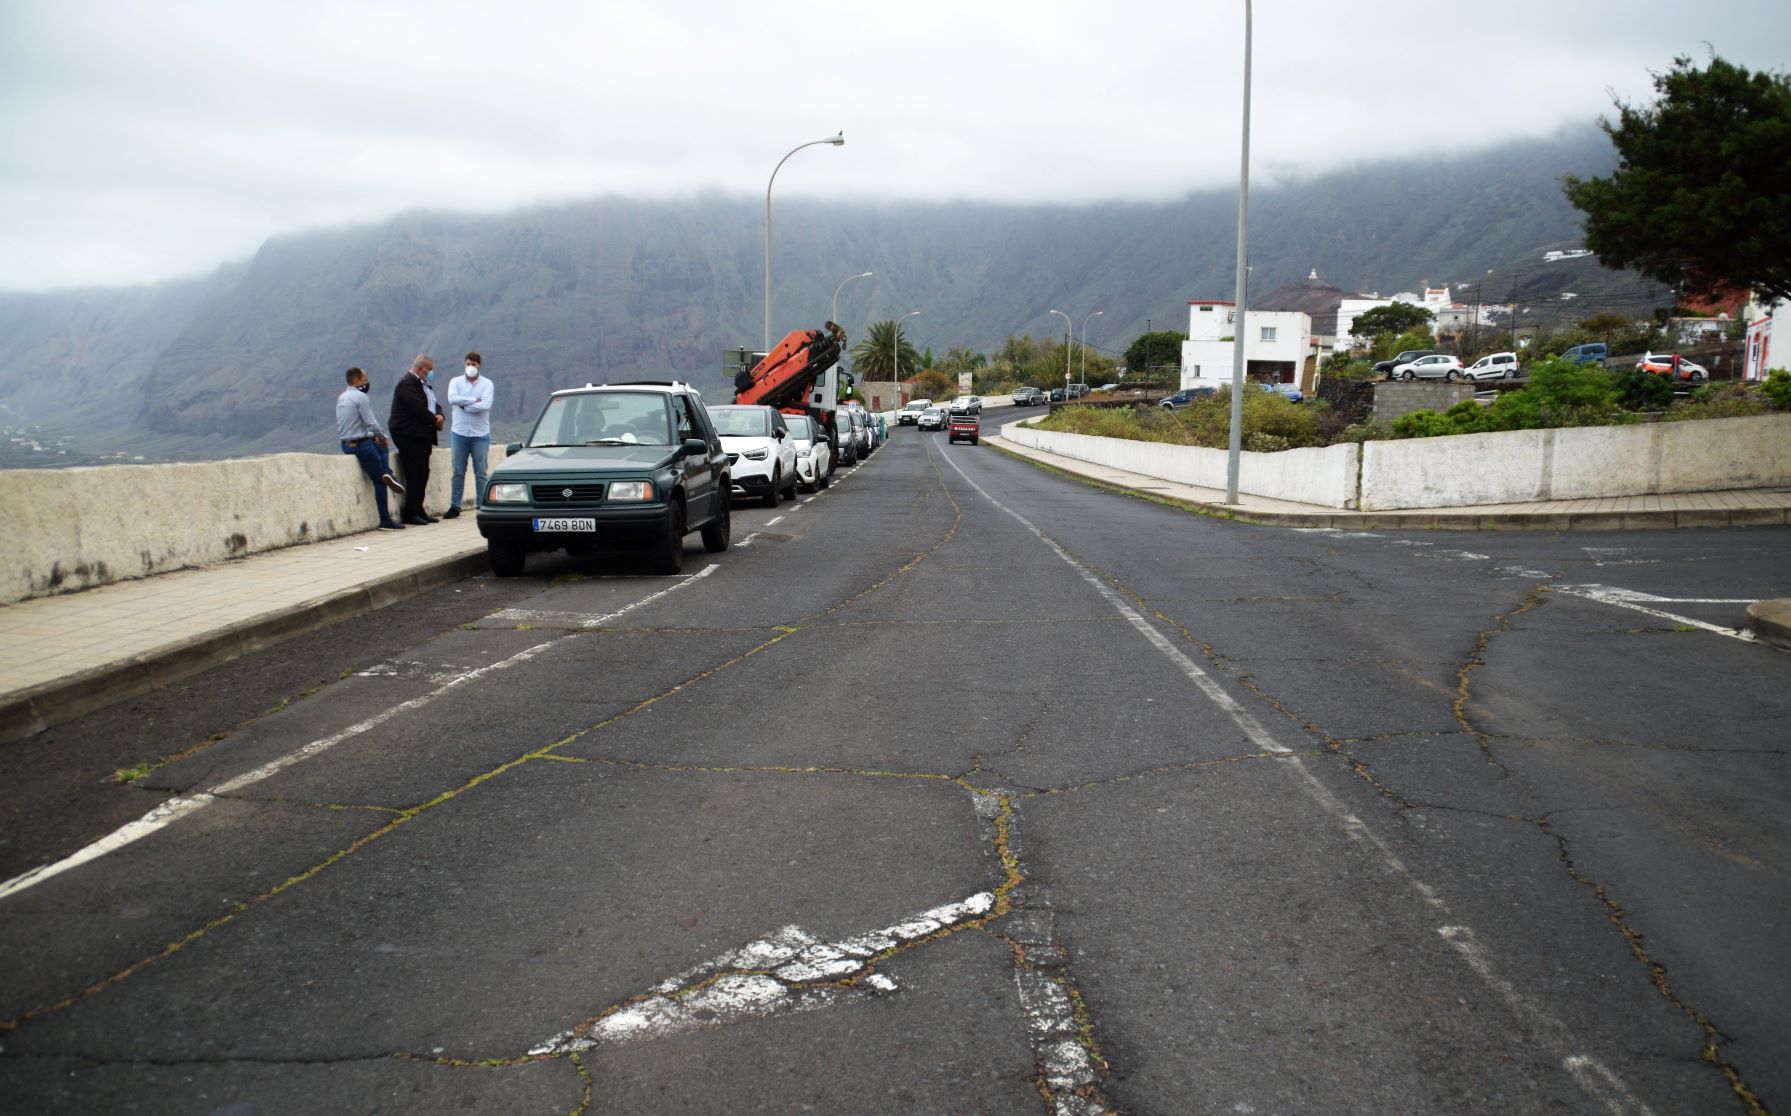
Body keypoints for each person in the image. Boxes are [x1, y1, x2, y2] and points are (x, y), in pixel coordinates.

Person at [336, 367, 405, 530]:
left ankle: (387, 471)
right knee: (379, 480)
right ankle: (385, 519)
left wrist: (375, 438)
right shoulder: (361, 397)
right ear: (357, 380)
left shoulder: (342, 397)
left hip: (346, 444)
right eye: (365, 379)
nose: (367, 382)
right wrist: (383, 437)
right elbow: (371, 422)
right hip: (361, 446)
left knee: (380, 448)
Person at [388, 354, 443, 525]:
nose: (431, 372)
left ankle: (419, 509)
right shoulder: (407, 384)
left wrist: (440, 415)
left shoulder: (423, 385)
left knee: (423, 472)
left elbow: (434, 403)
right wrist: (435, 421)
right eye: (429, 369)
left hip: (421, 435)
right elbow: (417, 409)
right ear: (420, 369)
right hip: (408, 434)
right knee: (415, 473)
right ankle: (410, 512)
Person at [444, 351, 494, 519]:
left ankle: (482, 505)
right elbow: (452, 399)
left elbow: (486, 405)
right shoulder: (456, 382)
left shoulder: (487, 384)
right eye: (468, 364)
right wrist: (474, 401)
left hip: (480, 434)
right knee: (458, 471)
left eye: (473, 364)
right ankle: (455, 506)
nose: (470, 367)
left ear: (479, 365)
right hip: (459, 433)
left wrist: (464, 404)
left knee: (481, 472)